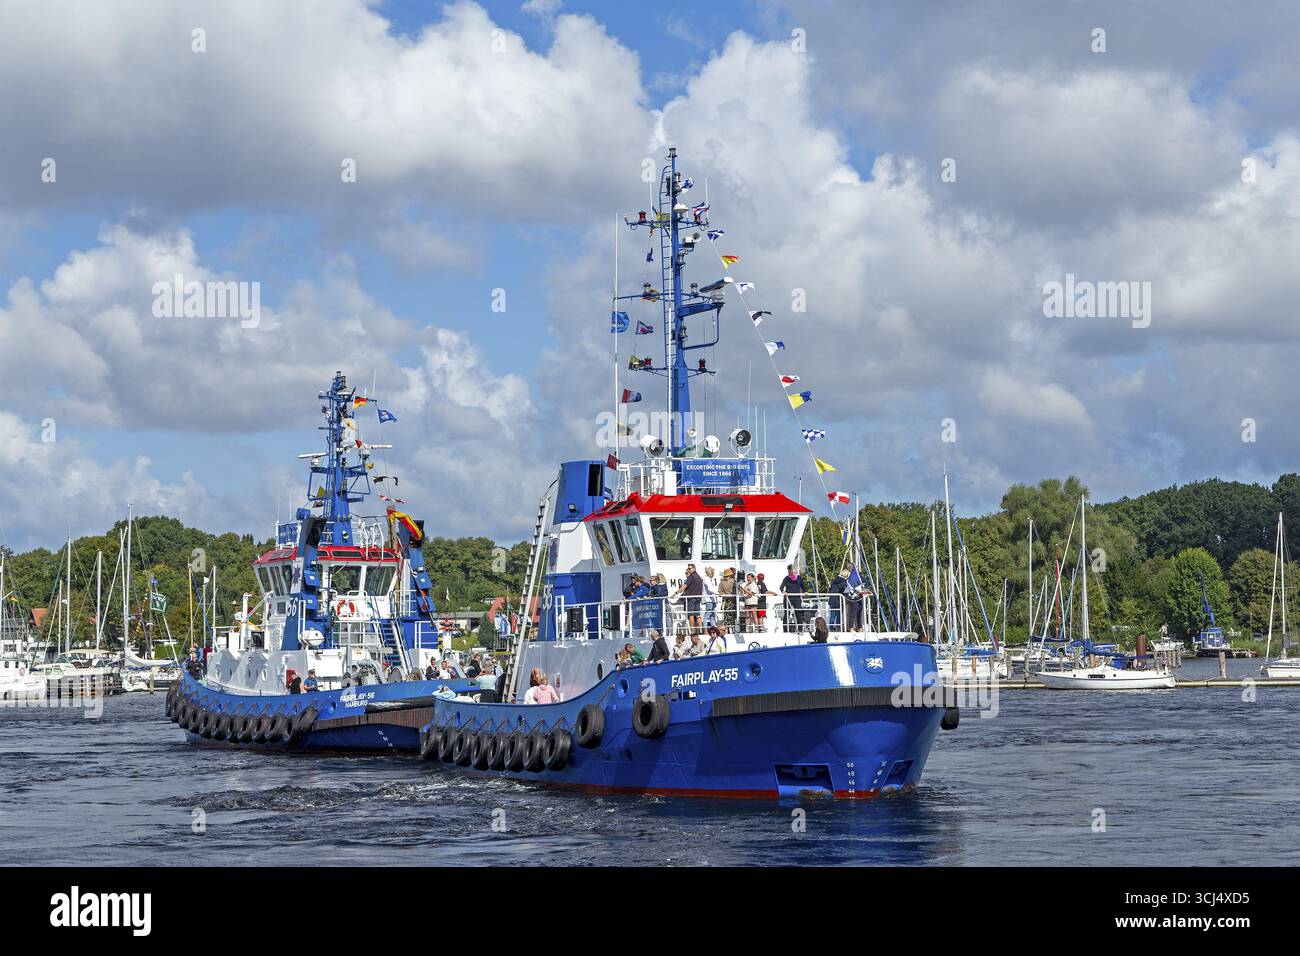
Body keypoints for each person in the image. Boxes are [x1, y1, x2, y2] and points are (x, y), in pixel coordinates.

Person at [675, 563, 704, 633]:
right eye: (688, 569)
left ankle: (692, 631)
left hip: (691, 598)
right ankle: (700, 630)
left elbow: (685, 585)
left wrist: (676, 593)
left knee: (691, 615)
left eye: (689, 569)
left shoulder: (691, 577)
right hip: (698, 598)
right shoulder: (699, 577)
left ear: (694, 568)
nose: (688, 570)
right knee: (697, 615)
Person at [780, 564, 805, 632]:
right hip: (788, 598)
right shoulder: (786, 578)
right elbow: (781, 587)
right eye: (790, 570)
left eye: (793, 569)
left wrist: (805, 592)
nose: (792, 571)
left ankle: (800, 629)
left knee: (798, 613)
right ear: (788, 571)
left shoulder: (799, 578)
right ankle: (785, 630)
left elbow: (803, 587)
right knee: (787, 614)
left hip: (797, 598)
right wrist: (783, 592)